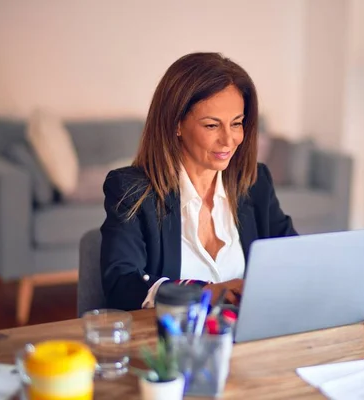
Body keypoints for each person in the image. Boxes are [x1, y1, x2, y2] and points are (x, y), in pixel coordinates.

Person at [100, 52, 297, 311]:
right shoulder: (131, 190)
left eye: (236, 123)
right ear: (176, 124)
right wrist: (206, 292)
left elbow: (293, 256)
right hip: (172, 344)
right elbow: (121, 284)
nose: (229, 140)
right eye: (212, 126)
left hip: (251, 342)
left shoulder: (255, 183)